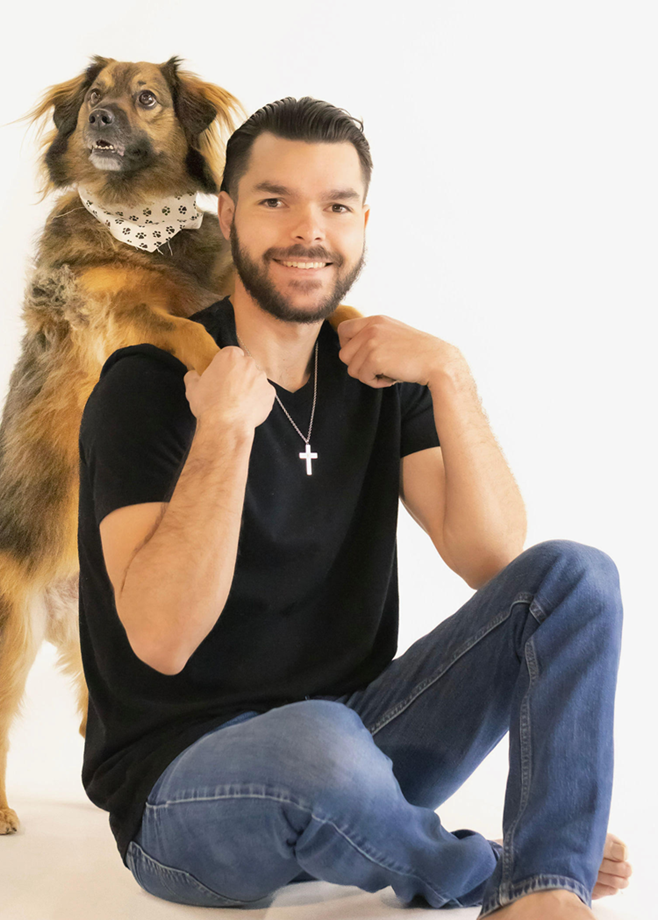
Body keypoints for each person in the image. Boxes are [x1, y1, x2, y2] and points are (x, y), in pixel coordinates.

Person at [76, 97, 632, 918]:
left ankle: (549, 890)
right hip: (184, 798)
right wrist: (224, 431)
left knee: (576, 578)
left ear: (362, 223)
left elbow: (491, 559)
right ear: (228, 216)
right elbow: (161, 639)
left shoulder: (378, 372)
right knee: (320, 740)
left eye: (336, 206)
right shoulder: (151, 385)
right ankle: (495, 871)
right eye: (276, 201)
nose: (309, 230)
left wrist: (449, 374)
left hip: (363, 750)